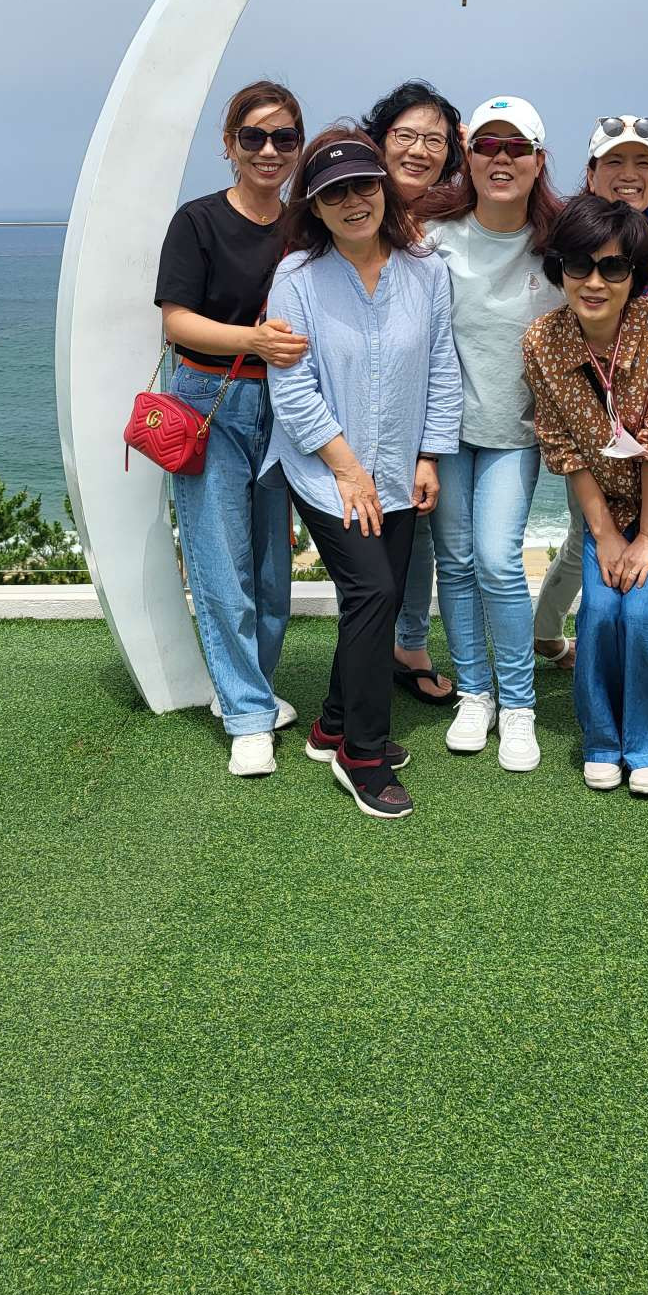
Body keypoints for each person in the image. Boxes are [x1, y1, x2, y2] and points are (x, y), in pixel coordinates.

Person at [264, 127, 462, 821]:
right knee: (374, 591)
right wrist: (348, 471)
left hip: (401, 467)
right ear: (314, 208)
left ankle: (333, 724)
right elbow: (292, 390)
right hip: (326, 472)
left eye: (364, 187)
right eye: (334, 194)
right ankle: (363, 754)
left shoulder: (426, 271)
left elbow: (441, 367)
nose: (354, 202)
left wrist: (429, 456)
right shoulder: (296, 279)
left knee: (377, 597)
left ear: (384, 190)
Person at [522, 194, 648, 796]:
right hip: (609, 502)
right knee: (600, 612)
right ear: (558, 268)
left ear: (636, 275)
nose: (594, 282)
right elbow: (564, 446)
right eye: (579, 265)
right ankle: (603, 739)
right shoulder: (542, 342)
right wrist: (607, 534)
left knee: (643, 613)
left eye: (613, 268)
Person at [154, 80, 307, 777]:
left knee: (273, 569)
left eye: (284, 137)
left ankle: (250, 688)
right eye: (254, 137)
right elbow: (177, 320)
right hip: (209, 399)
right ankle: (248, 714)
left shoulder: (305, 223)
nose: (269, 150)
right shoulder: (198, 221)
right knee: (221, 562)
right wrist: (253, 339)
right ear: (230, 145)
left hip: (287, 402)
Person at [533, 113, 648, 672]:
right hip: (580, 398)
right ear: (590, 173)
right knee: (589, 531)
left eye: (644, 163)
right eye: (614, 161)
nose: (629, 173)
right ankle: (549, 631)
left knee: (625, 545)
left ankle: (594, 634)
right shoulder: (569, 225)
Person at [424, 96, 564, 772]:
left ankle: (518, 705)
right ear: (468, 155)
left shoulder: (561, 245)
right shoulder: (433, 236)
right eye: (487, 146)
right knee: (454, 562)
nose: (501, 159)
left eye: (516, 147)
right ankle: (473, 693)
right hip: (445, 432)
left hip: (516, 431)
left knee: (497, 561)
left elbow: (625, 280)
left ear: (539, 160)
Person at [362, 79, 467, 705]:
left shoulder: (451, 214)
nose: (419, 150)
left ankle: (409, 644)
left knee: (417, 530)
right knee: (362, 532)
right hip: (354, 401)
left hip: (423, 405)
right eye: (405, 135)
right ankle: (370, 649)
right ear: (380, 139)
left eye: (435, 140)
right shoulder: (350, 200)